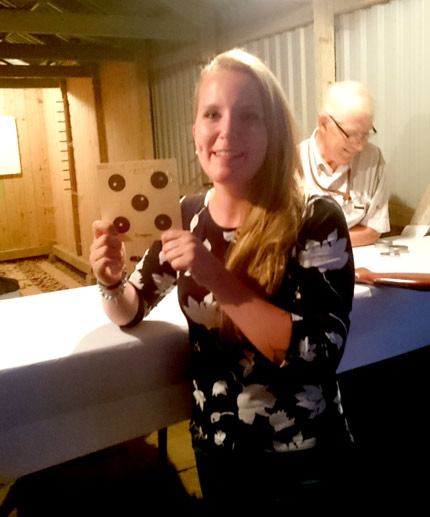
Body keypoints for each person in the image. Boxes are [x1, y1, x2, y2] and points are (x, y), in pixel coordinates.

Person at [90, 49, 355, 513]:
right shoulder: (186, 214)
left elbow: (319, 354)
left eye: (248, 116)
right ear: (195, 129)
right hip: (217, 450)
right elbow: (132, 305)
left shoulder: (314, 218)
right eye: (212, 114)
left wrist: (215, 275)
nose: (227, 131)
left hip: (301, 458)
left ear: (273, 131)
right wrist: (110, 281)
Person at [300, 80, 390, 247]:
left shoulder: (372, 159)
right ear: (323, 123)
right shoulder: (293, 163)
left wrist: (319, 241)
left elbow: (373, 231)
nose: (360, 146)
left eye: (365, 134)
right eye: (351, 134)